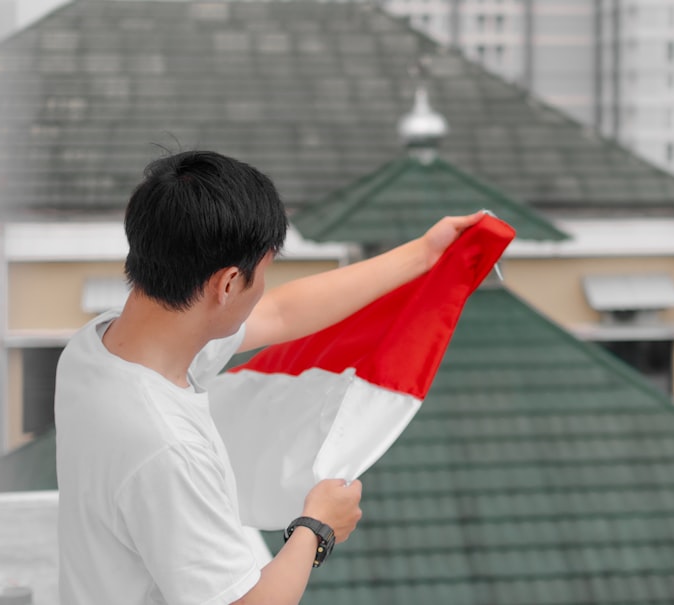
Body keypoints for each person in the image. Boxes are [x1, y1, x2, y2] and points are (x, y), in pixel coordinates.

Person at [54, 150, 482, 605]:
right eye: (260, 276)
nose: (262, 294)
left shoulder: (98, 345)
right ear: (227, 284)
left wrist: (425, 254)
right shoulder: (167, 449)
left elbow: (281, 313)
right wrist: (317, 528)